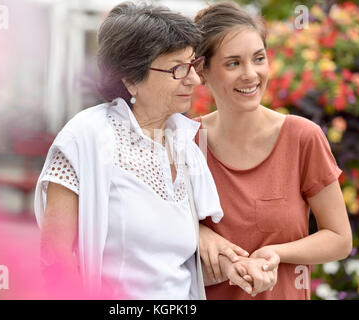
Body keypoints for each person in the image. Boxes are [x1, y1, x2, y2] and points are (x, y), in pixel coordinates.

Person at [34, 1, 235, 300]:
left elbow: (172, 265)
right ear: (130, 79)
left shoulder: (185, 142)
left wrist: (239, 265)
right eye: (178, 69)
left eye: (193, 65)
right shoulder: (86, 138)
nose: (194, 79)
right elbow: (55, 256)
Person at [193, 1, 353, 299]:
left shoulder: (302, 138)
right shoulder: (185, 142)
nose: (251, 74)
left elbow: (339, 239)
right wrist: (199, 234)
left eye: (258, 58)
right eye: (233, 63)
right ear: (202, 70)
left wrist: (275, 253)